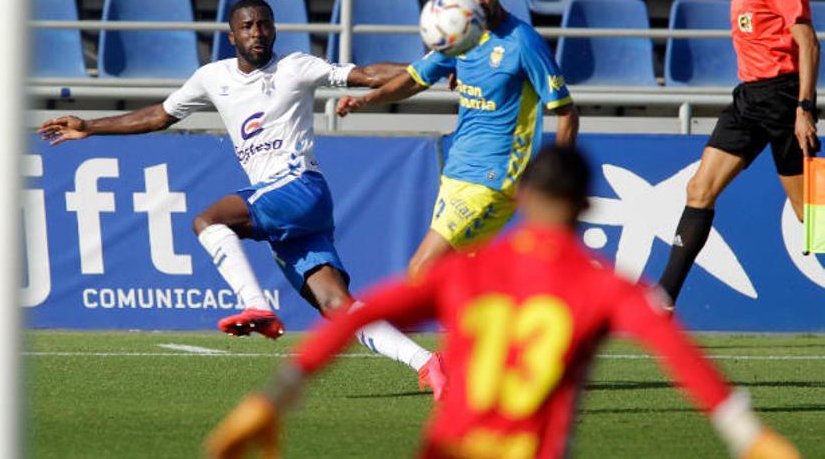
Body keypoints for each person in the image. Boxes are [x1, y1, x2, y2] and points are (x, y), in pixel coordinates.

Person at [205, 146, 800, 459]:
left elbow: (352, 318)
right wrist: (747, 434)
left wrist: (274, 398)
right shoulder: (606, 288)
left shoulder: (470, 271)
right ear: (582, 208)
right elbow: (679, 354)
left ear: (525, 197)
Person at [37, 0, 445, 395]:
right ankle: (428, 364)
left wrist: (436, 66)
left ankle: (257, 305)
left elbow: (368, 73)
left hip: (299, 187)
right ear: (231, 36)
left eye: (264, 24)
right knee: (336, 305)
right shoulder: (212, 77)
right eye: (247, 26)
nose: (258, 33)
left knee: (207, 221)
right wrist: (90, 126)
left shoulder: (296, 66)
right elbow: (159, 116)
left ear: (274, 29)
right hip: (294, 211)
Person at [336, 0, 580, 279]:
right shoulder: (460, 34)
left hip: (494, 179)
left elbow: (567, 113)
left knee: (422, 270)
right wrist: (367, 99)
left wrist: (560, 180)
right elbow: (414, 79)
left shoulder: (523, 42)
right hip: (457, 171)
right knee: (464, 280)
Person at [658, 0, 821, 307]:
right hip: (749, 97)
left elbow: (807, 41)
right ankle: (663, 299)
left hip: (783, 99)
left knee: (811, 217)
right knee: (699, 190)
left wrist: (805, 107)